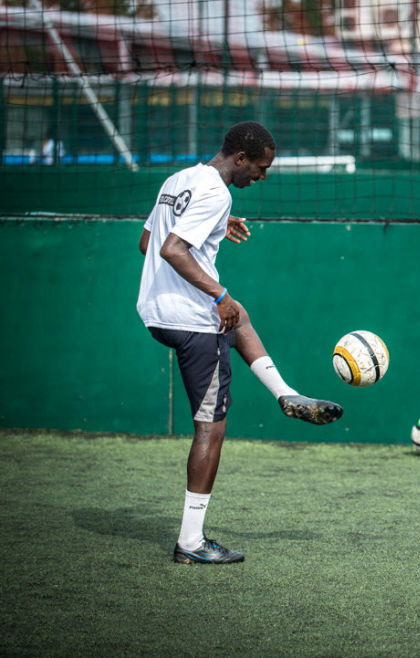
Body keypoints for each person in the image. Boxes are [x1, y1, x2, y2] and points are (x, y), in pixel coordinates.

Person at [137, 121, 343, 565]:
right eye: (261, 168)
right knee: (211, 427)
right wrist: (218, 294)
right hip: (191, 320)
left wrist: (213, 224)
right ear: (241, 159)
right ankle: (191, 543)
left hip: (156, 312)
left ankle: (286, 394)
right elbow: (172, 250)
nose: (262, 176)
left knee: (239, 315)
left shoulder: (179, 181)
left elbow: (146, 244)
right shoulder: (216, 192)